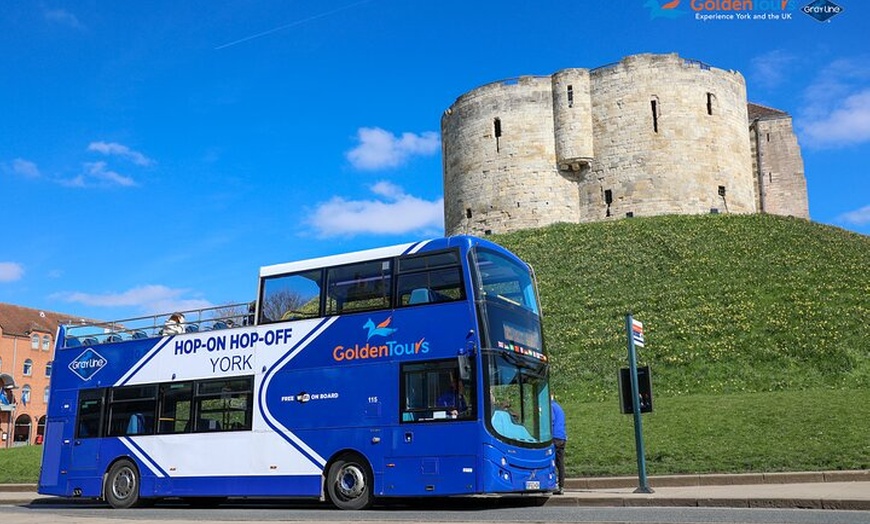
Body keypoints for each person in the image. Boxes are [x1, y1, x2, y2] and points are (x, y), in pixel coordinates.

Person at [551, 395, 567, 494]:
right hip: (562, 437)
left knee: (551, 461)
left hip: (554, 437)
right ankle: (561, 486)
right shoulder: (558, 407)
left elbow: (551, 422)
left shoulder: (551, 407)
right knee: (560, 463)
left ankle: (554, 484)